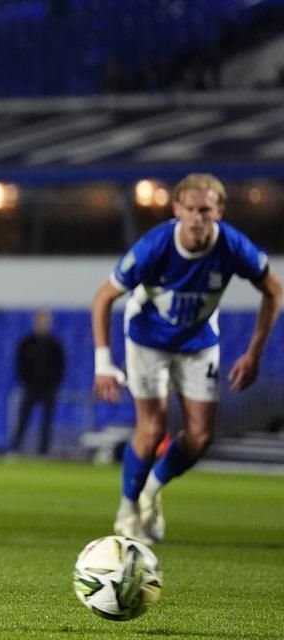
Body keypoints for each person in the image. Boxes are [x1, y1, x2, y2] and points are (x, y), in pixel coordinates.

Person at [92, 173, 281, 545]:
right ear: (177, 209)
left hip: (197, 343)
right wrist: (103, 362)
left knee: (200, 436)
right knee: (152, 429)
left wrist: (254, 352)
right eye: (190, 209)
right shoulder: (156, 246)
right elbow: (103, 297)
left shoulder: (232, 246)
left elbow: (274, 291)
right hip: (147, 341)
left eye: (206, 210)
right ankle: (128, 509)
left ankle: (150, 492)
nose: (197, 218)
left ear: (219, 211)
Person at [11, 309, 65, 455]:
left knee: (47, 421)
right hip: (30, 386)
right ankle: (15, 447)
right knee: (23, 419)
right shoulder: (27, 343)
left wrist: (55, 382)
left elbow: (61, 366)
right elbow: (20, 363)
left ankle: (43, 450)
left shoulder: (55, 345)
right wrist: (26, 380)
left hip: (49, 387)